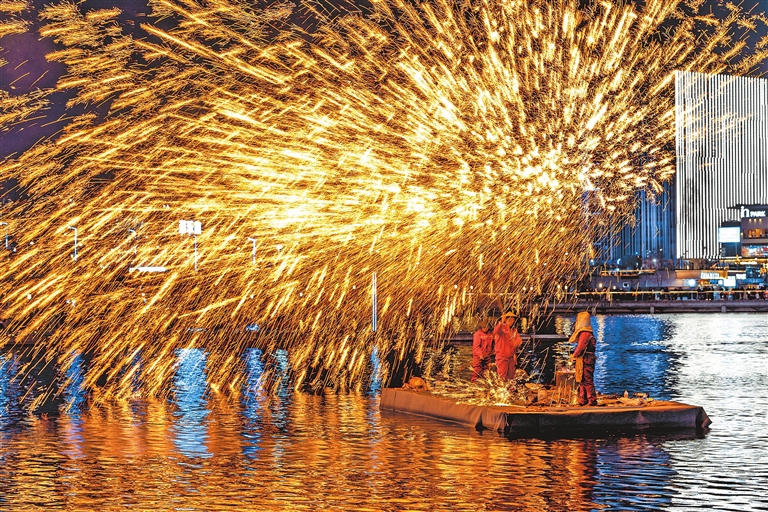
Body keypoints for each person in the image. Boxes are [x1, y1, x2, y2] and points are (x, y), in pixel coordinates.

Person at [570, 311, 598, 406]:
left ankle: (591, 399)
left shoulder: (585, 333)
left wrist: (574, 355)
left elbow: (581, 347)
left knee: (587, 379)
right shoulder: (587, 333)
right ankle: (583, 399)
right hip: (586, 358)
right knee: (582, 379)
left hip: (586, 358)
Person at [493, 312, 522, 381]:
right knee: (502, 376)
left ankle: (510, 390)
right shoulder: (501, 328)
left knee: (511, 376)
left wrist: (514, 353)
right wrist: (502, 322)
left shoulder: (514, 331)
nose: (511, 321)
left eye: (512, 320)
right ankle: (501, 390)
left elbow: (518, 341)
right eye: (509, 319)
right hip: (502, 357)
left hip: (511, 357)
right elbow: (495, 331)